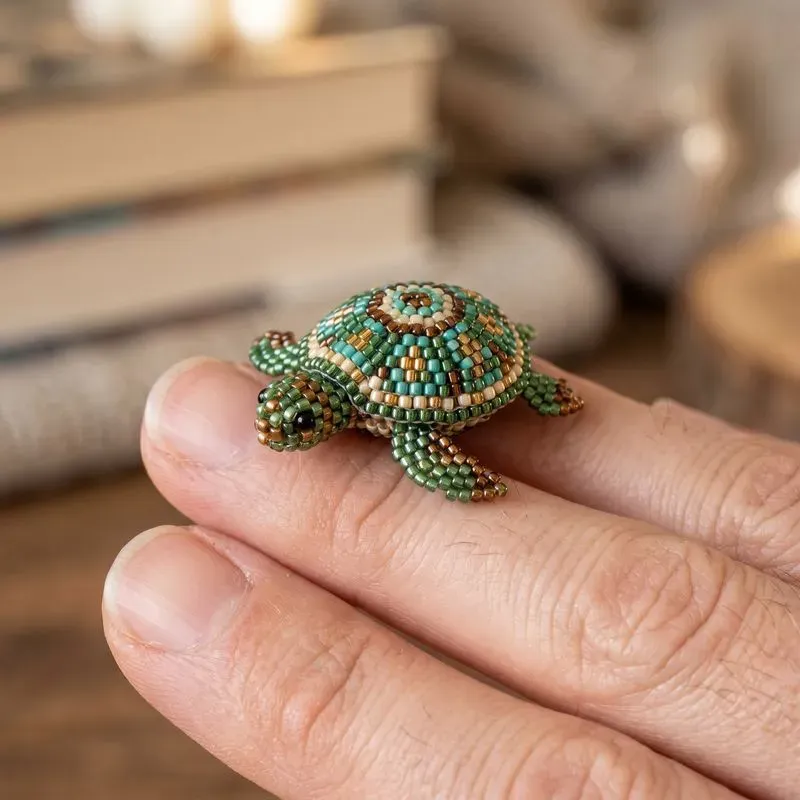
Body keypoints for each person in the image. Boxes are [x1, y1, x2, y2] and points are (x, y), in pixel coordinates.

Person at [102, 356, 800, 799]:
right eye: (273, 413)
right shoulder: (308, 375)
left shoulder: (402, 423)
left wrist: (467, 479)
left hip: (465, 350)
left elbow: (421, 442)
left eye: (301, 423)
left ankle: (540, 390)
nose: (277, 435)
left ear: (330, 412)